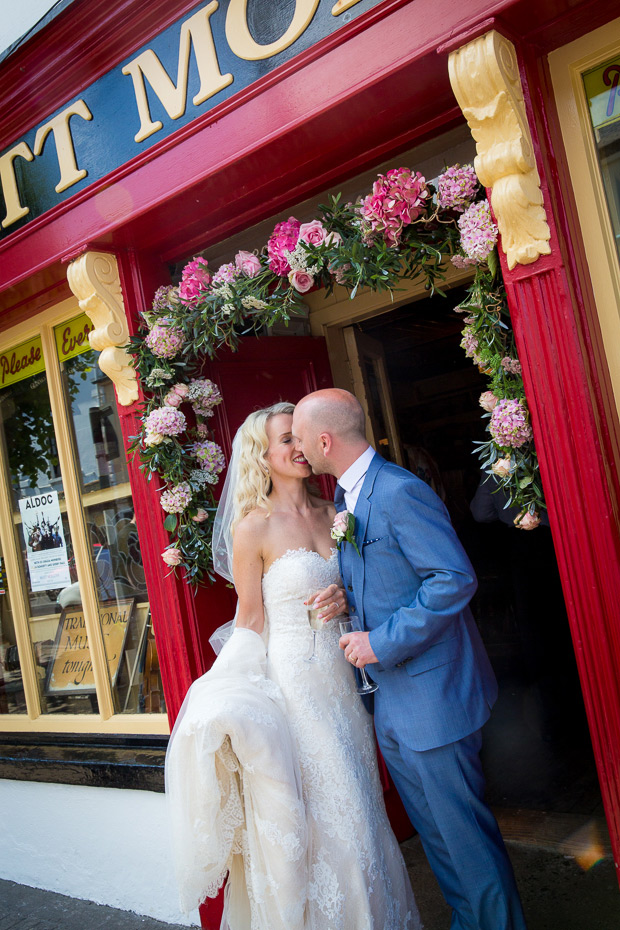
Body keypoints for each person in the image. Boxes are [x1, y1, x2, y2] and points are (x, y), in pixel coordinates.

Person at [166, 402, 419, 930]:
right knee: (337, 812)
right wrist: (225, 692)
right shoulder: (252, 528)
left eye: (300, 438)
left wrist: (347, 600)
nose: (298, 448)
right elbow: (250, 620)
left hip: (347, 681)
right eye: (287, 440)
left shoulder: (336, 512)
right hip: (296, 685)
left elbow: (362, 591)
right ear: (264, 455)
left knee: (364, 806)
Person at [292, 388, 528, 930]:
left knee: (466, 844)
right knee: (440, 844)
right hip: (394, 705)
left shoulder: (398, 491)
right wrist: (346, 597)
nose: (301, 448)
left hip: (433, 698)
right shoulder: (351, 501)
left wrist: (382, 641)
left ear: (324, 440)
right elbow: (395, 577)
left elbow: (452, 578)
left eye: (303, 437)